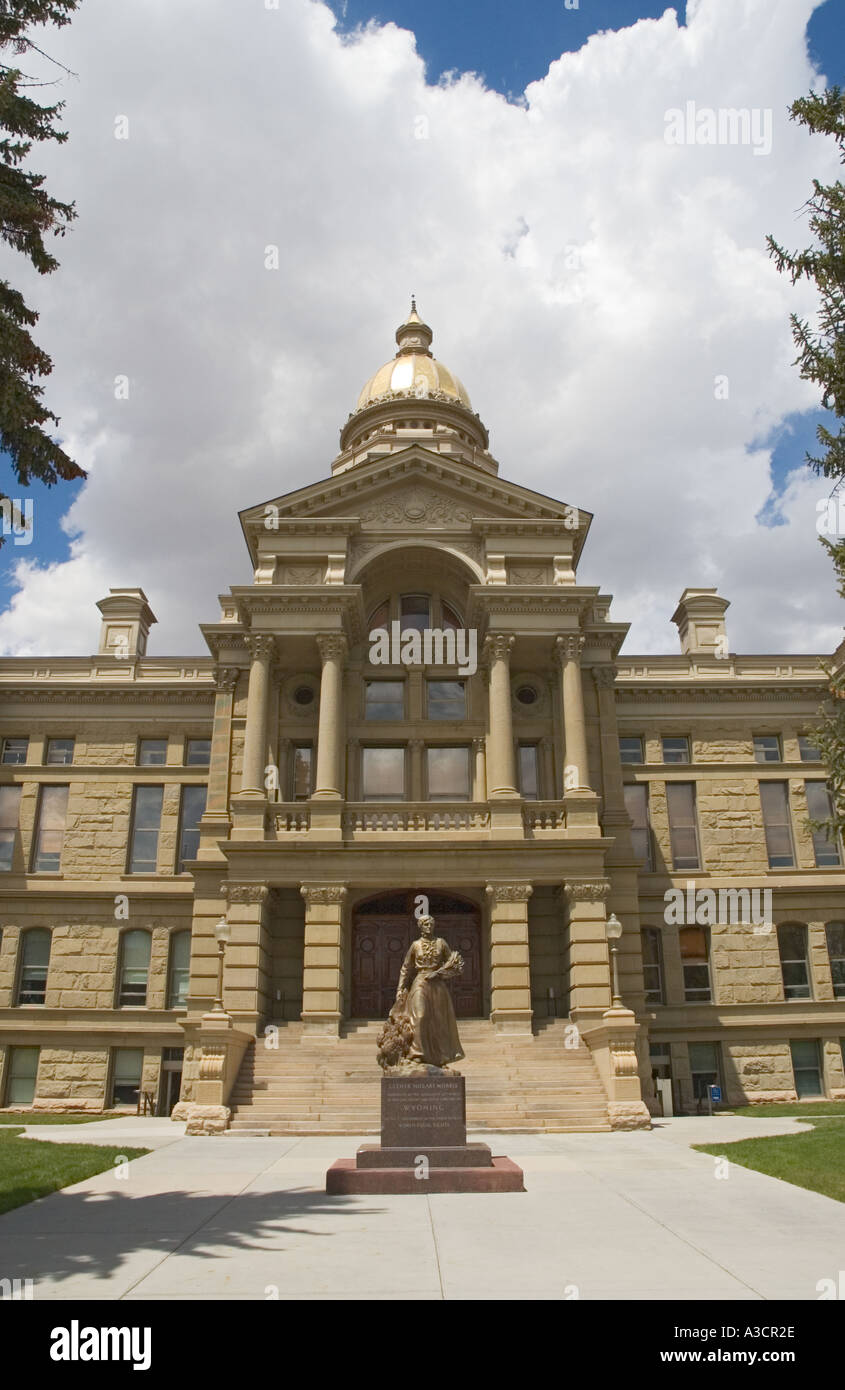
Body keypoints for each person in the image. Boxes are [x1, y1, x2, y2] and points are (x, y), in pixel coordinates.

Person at [394, 913, 465, 1068]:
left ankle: (440, 1057)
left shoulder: (441, 943)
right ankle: (417, 1054)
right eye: (425, 924)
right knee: (420, 1016)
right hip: (420, 982)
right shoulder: (415, 945)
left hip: (438, 985)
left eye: (431, 924)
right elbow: (406, 968)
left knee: (438, 1021)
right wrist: (400, 988)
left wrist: (440, 973)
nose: (429, 926)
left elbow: (454, 966)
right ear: (420, 927)